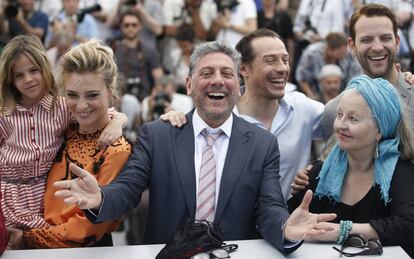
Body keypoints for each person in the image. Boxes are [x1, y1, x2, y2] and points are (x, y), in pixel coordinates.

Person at [54, 41, 337, 253]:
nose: (217, 80)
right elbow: (128, 189)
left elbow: (270, 206)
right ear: (189, 85)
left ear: (239, 87)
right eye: (206, 73)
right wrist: (101, 198)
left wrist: (286, 227)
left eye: (227, 73)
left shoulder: (262, 143)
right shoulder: (157, 134)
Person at [162, 29, 325, 200]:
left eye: (285, 60)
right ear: (243, 69)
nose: (282, 68)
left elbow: (348, 125)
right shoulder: (219, 117)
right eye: (270, 61)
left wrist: (317, 167)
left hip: (292, 223)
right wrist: (176, 120)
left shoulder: (303, 108)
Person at [6, 40, 132, 249]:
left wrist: (27, 239)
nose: (81, 106)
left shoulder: (116, 149)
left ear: (110, 92)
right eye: (72, 95)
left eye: (92, 95)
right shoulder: (66, 129)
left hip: (81, 251)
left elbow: (87, 229)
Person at [288, 75, 414, 257]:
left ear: (380, 130)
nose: (340, 125)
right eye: (339, 115)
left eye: (353, 119)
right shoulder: (322, 170)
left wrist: (343, 230)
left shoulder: (401, 171)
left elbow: (408, 226)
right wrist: (292, 224)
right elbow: (289, 217)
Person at [322, 3, 414, 140]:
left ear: (397, 42)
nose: (377, 47)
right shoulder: (333, 111)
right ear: (352, 46)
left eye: (385, 38)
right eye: (367, 40)